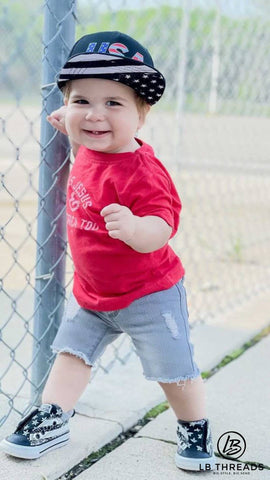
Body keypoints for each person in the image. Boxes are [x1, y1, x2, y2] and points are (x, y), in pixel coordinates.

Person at [0, 31, 215, 471]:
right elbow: (80, 124)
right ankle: (54, 416)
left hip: (149, 295)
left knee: (174, 371)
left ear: (143, 114)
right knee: (71, 354)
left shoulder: (142, 171)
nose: (95, 115)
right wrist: (69, 117)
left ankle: (194, 424)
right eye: (83, 101)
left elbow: (163, 224)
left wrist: (137, 229)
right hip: (94, 296)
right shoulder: (90, 144)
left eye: (113, 104)